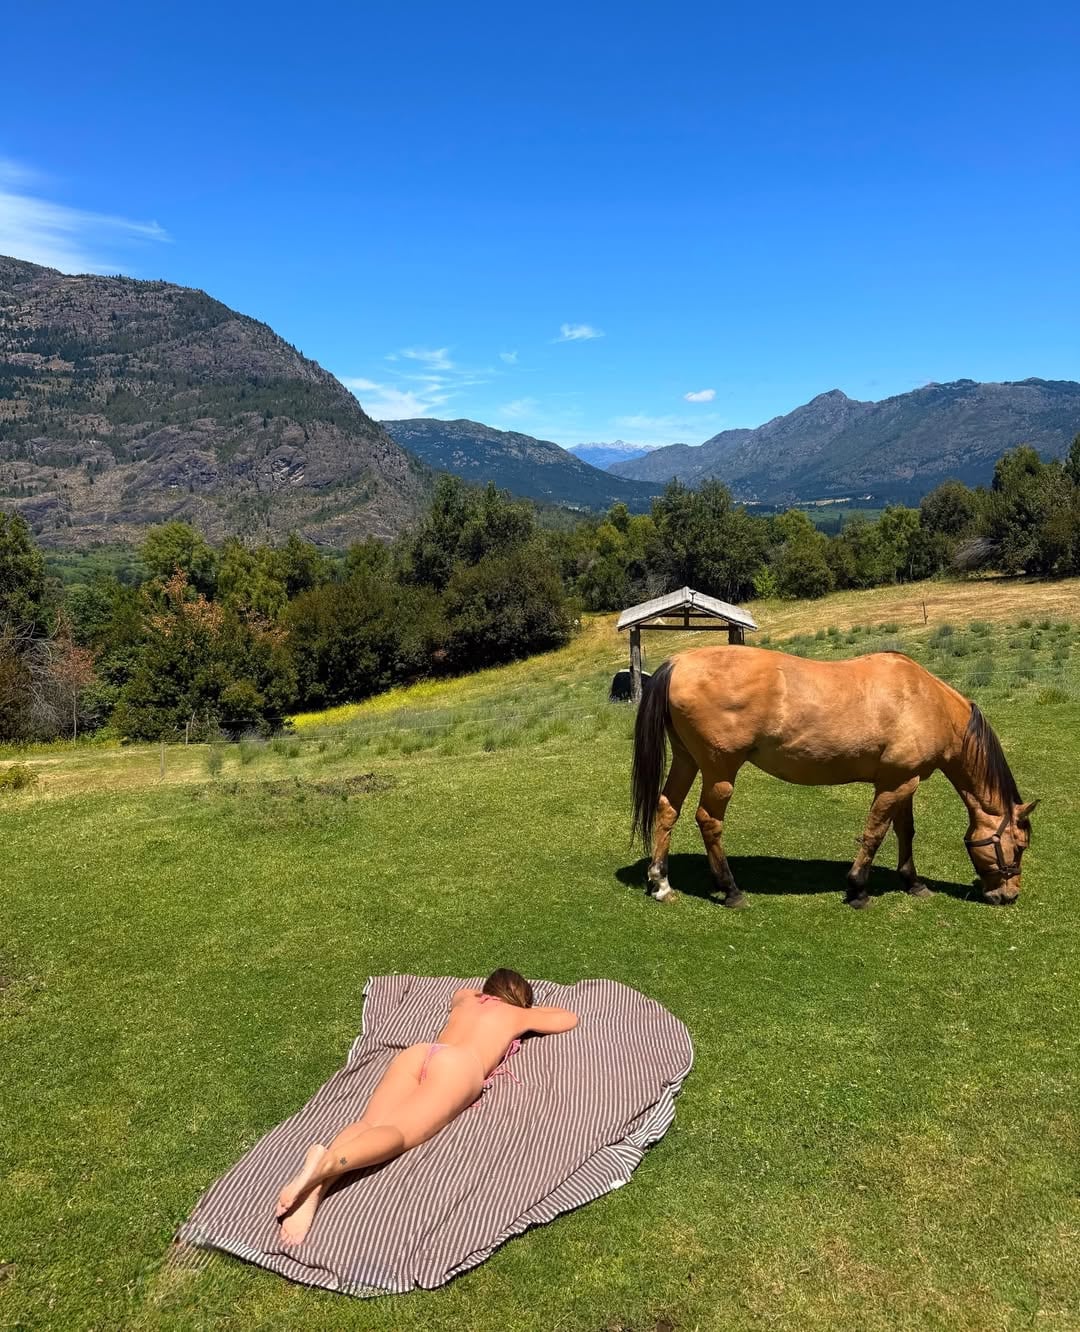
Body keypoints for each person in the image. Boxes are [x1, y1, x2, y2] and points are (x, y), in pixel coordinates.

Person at [275, 968, 578, 1244]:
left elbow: (460, 992)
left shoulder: (468, 1001)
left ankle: (317, 1186)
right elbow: (567, 1019)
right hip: (459, 1066)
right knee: (399, 1133)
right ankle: (328, 1163)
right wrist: (526, 1009)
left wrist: (484, 996)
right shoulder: (518, 1015)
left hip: (421, 1053)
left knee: (369, 1123)